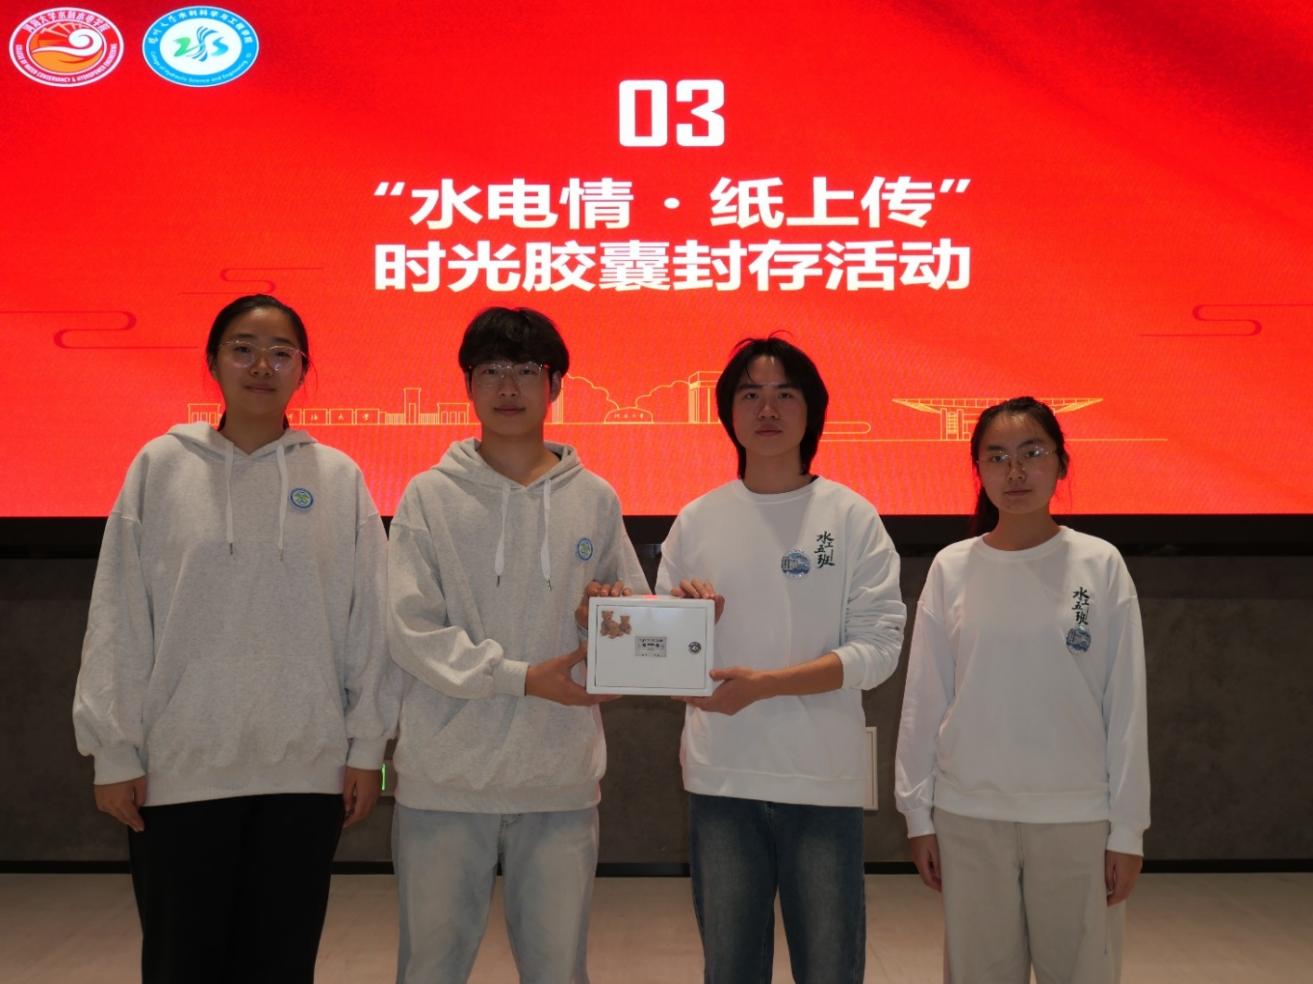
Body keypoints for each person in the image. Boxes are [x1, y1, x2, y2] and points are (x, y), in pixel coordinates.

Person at [72, 294, 398, 983]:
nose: (261, 366)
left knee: (281, 965)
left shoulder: (338, 479)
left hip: (304, 772)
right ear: (213, 363)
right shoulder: (160, 467)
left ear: (303, 369)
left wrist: (367, 748)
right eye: (243, 349)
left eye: (281, 353)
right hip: (179, 771)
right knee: (181, 964)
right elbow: (119, 614)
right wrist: (112, 749)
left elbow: (368, 621)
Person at [387, 306, 648, 984]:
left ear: (555, 385)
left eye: (527, 370)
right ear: (468, 385)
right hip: (445, 782)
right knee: (429, 971)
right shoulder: (428, 497)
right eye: (491, 371)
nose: (508, 387)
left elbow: (630, 631)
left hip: (560, 782)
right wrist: (522, 677)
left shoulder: (594, 498)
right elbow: (410, 630)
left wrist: (601, 622)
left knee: (559, 972)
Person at [655, 336, 906, 983]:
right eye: (750, 394)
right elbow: (661, 659)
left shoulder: (850, 517)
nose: (766, 409)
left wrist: (768, 685)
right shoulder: (696, 520)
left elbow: (878, 649)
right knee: (731, 969)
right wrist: (693, 625)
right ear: (728, 412)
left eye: (784, 394)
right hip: (722, 781)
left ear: (810, 409)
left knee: (829, 968)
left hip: (820, 781)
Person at [894, 396, 1150, 984]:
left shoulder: (1099, 564)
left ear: (1061, 463)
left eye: (1032, 453)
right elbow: (924, 699)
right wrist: (918, 816)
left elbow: (1126, 705)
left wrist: (1127, 829)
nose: (1015, 472)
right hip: (968, 814)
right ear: (979, 471)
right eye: (997, 457)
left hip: (1076, 817)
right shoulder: (952, 567)